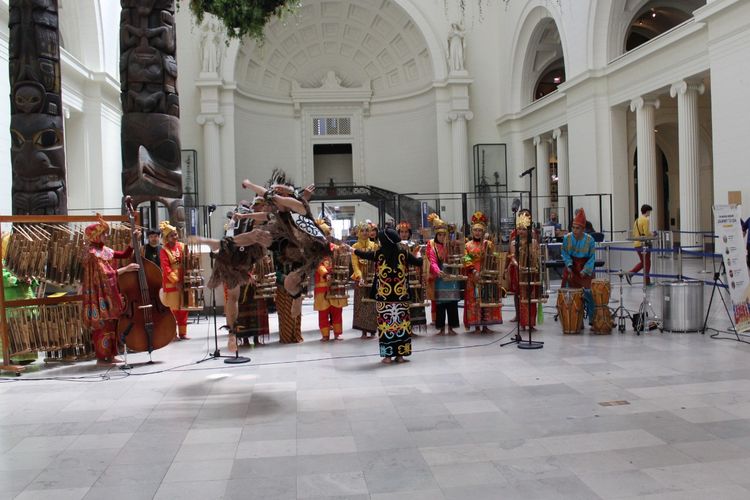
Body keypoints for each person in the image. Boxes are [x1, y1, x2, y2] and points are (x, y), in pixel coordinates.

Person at [351, 227, 423, 363]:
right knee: (401, 325)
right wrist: (418, 254)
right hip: (401, 297)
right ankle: (400, 356)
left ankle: (388, 356)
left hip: (384, 298)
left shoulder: (379, 254)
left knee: (386, 326)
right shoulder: (403, 253)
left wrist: (352, 250)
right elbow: (419, 263)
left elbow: (364, 255)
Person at [81, 216, 140, 364]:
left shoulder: (103, 250)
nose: (106, 236)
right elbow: (104, 274)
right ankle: (102, 357)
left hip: (109, 292)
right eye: (104, 234)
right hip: (98, 294)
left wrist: (132, 244)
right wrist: (125, 269)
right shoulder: (92, 253)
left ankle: (112, 354)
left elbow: (123, 254)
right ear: (95, 235)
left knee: (112, 323)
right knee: (102, 325)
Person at [463, 211, 502, 333]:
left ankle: (486, 325)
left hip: (486, 275)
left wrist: (492, 254)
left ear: (484, 231)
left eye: (480, 230)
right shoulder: (468, 245)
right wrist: (473, 270)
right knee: (474, 300)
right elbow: (466, 258)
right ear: (472, 231)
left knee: (486, 298)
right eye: (475, 230)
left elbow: (493, 256)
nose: (477, 232)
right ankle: (476, 325)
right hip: (473, 276)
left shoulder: (488, 244)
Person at [425, 213, 460, 335]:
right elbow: (432, 260)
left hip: (451, 278)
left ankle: (451, 327)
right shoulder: (432, 245)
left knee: (452, 303)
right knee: (440, 304)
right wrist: (437, 271)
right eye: (439, 234)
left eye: (443, 234)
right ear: (436, 234)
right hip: (439, 278)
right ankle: (441, 327)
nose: (441, 236)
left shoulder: (451, 244)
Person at [313, 220, 348, 341]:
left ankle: (337, 333)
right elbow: (317, 264)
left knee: (337, 310)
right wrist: (325, 273)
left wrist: (343, 249)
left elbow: (342, 256)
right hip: (322, 286)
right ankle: (325, 334)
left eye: (326, 234)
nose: (324, 237)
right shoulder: (315, 251)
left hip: (335, 284)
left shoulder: (334, 248)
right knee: (323, 311)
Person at [507, 209, 541, 331]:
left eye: (523, 229)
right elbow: (512, 257)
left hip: (531, 273)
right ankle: (523, 321)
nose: (521, 231)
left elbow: (537, 257)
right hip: (519, 273)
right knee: (521, 297)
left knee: (531, 297)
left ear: (528, 229)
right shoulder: (513, 243)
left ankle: (531, 322)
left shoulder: (534, 242)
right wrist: (517, 265)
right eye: (519, 229)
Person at [561, 208, 597, 324]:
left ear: (583, 229)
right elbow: (565, 253)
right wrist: (569, 266)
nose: (575, 230)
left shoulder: (590, 240)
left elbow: (592, 257)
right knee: (572, 295)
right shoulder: (567, 238)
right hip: (572, 268)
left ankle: (592, 318)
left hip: (585, 269)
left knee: (589, 294)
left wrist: (585, 270)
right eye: (573, 228)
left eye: (578, 228)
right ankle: (576, 320)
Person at [159, 221, 190, 340]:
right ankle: (172, 334)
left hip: (184, 279)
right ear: (167, 237)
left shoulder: (182, 246)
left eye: (175, 234)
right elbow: (166, 268)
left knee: (183, 308)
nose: (175, 237)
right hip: (171, 282)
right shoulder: (164, 250)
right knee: (173, 309)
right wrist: (176, 281)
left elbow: (188, 261)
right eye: (172, 235)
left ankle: (183, 333)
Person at [397, 221, 426, 335]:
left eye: (406, 232)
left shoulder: (415, 245)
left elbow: (419, 259)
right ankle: (402, 328)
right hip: (400, 278)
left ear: (409, 233)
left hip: (413, 276)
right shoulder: (396, 246)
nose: (404, 234)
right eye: (402, 232)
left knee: (414, 301)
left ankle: (412, 328)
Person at [351, 222, 378, 338]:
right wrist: (360, 277)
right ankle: (363, 330)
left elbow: (378, 262)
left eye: (367, 230)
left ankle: (372, 329)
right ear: (358, 232)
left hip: (372, 278)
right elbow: (355, 264)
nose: (365, 233)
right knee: (361, 304)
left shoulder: (375, 246)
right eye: (362, 230)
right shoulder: (355, 247)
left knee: (372, 304)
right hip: (360, 279)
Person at [626, 204, 654, 286]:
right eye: (649, 211)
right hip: (644, 244)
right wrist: (653, 234)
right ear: (647, 211)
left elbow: (635, 232)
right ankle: (646, 281)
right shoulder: (645, 220)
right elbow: (646, 233)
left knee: (643, 262)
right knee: (647, 262)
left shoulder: (637, 220)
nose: (650, 213)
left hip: (637, 244)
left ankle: (631, 273)